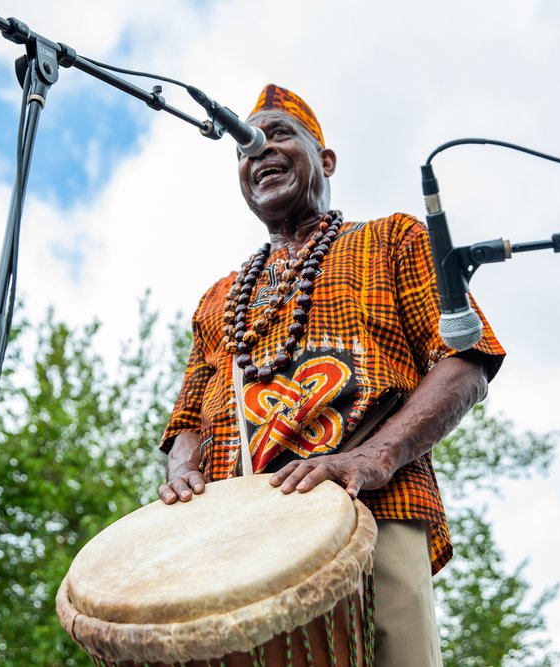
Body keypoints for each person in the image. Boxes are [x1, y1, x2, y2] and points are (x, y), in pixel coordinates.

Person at [158, 84, 505, 667]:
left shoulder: (393, 239)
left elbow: (467, 360)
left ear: (325, 160)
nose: (258, 151)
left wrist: (374, 457)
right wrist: (183, 473)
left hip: (374, 507)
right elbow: (187, 421)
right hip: (236, 536)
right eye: (245, 148)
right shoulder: (217, 300)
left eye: (278, 135)